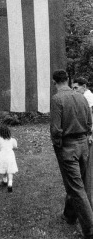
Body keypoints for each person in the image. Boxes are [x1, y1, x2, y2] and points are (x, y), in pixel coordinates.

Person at [50, 69, 93, 239]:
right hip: (84, 146)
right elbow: (90, 122)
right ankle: (70, 215)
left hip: (68, 147)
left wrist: (58, 144)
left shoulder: (57, 98)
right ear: (67, 80)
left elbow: (55, 129)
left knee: (76, 188)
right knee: (78, 183)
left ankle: (90, 230)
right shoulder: (82, 96)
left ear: (55, 82)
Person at [73, 77, 93, 208]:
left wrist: (91, 134)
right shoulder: (84, 96)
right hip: (84, 135)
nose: (74, 90)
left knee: (87, 172)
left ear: (84, 86)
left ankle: (87, 204)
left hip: (88, 137)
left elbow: (90, 116)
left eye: (76, 88)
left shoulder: (87, 97)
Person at [0, 124, 18, 193]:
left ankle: (5, 181)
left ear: (0, 133)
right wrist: (14, 147)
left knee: (5, 168)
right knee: (10, 170)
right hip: (10, 155)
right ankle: (10, 184)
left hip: (2, 155)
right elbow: (15, 147)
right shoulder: (12, 140)